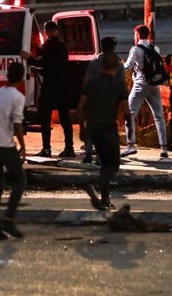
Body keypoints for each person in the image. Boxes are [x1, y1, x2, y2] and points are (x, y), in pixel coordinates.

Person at [78, 53, 132, 211]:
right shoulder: (119, 84)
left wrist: (82, 128)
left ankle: (105, 199)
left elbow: (80, 107)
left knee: (104, 163)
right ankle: (96, 185)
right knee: (113, 164)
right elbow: (126, 110)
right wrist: (130, 130)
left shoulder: (91, 83)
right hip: (108, 128)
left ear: (101, 67)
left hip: (93, 128)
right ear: (117, 67)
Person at [0, 62, 27, 240]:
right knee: (20, 181)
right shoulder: (18, 97)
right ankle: (8, 218)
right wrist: (23, 145)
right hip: (4, 146)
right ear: (22, 77)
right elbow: (17, 124)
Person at [22, 20, 74, 158]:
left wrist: (30, 59)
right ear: (56, 30)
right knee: (65, 118)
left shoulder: (47, 46)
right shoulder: (63, 46)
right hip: (63, 86)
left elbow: (46, 65)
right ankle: (69, 148)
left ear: (46, 32)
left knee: (45, 117)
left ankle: (46, 149)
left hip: (50, 86)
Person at [122, 25, 169, 161]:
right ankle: (164, 148)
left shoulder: (135, 49)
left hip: (140, 86)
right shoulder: (156, 48)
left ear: (137, 35)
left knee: (129, 114)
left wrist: (118, 65)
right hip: (154, 85)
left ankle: (130, 145)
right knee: (159, 116)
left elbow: (129, 66)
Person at [81, 36, 125, 164]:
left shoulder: (94, 62)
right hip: (110, 100)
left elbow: (86, 80)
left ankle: (88, 153)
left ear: (102, 47)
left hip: (94, 98)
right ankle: (101, 156)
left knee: (90, 125)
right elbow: (121, 85)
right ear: (114, 47)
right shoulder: (118, 64)